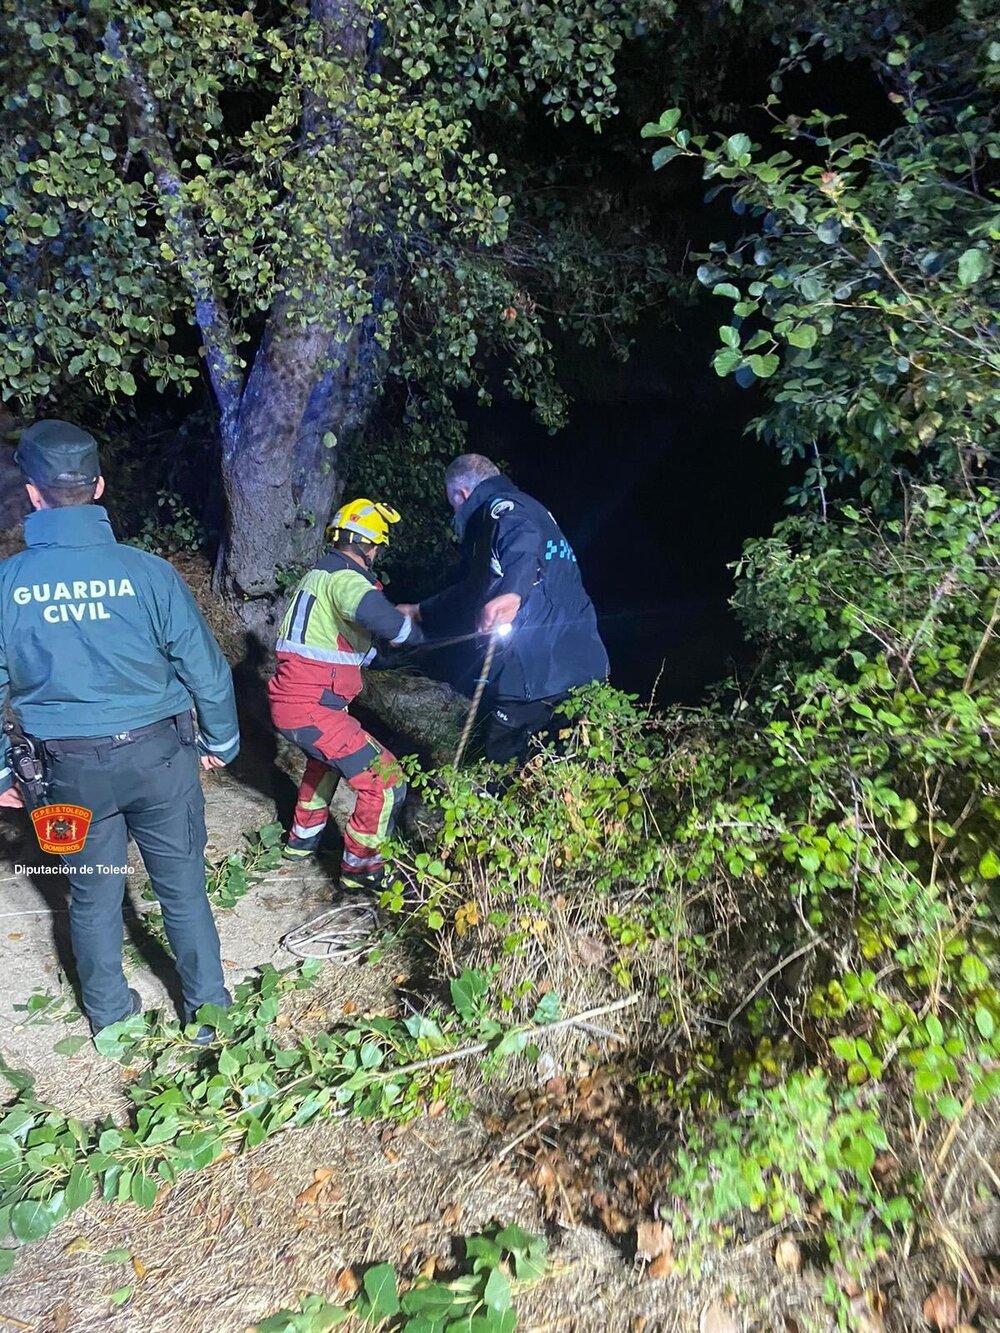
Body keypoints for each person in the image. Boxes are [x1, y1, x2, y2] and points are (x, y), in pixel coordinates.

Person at [0, 420, 239, 1041]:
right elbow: (205, 667)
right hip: (160, 760)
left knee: (91, 893)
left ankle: (110, 1018)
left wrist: (3, 769)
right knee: (183, 889)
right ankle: (208, 1016)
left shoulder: (7, 587)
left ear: (33, 494)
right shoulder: (149, 574)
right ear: (98, 486)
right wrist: (220, 739)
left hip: (63, 774)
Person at [399, 454, 609, 764]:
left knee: (502, 766)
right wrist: (421, 611)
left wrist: (512, 593)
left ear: (461, 494)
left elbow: (521, 541)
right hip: (585, 667)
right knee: (578, 765)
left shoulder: (502, 509)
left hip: (536, 674)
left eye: (453, 504)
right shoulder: (534, 510)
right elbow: (473, 592)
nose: (455, 512)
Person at [268, 498, 422, 894]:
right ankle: (362, 872)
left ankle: (301, 843)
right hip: (312, 708)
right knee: (386, 782)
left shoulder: (317, 577)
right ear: (372, 546)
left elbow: (349, 648)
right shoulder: (345, 578)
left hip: (301, 704)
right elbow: (381, 618)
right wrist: (411, 633)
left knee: (325, 762)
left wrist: (386, 651)